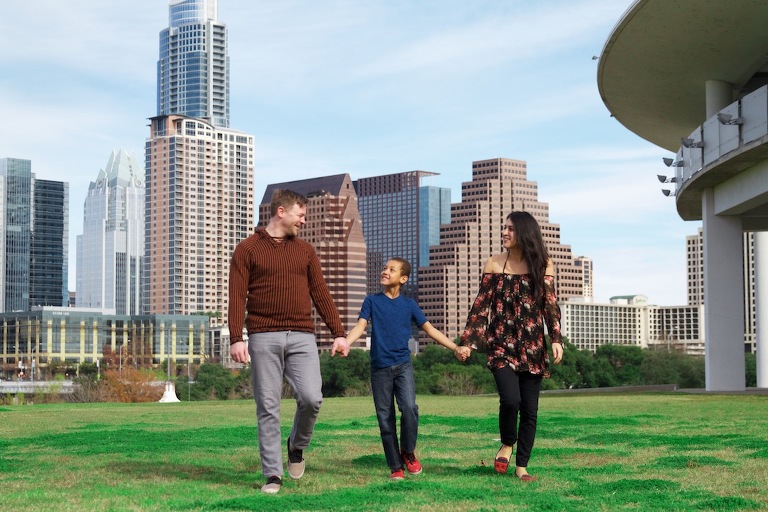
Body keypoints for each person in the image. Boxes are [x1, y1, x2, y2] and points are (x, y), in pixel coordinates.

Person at [228, 188, 351, 494]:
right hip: (262, 336)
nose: (304, 221)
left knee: (312, 398)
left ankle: (296, 444)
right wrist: (235, 337)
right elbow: (236, 296)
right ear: (281, 212)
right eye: (301, 214)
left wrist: (338, 332)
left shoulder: (305, 251)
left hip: (302, 336)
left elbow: (320, 293)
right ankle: (272, 473)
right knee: (268, 406)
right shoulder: (247, 249)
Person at [457, 211, 564, 482]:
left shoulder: (543, 265)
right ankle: (506, 443)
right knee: (510, 400)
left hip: (532, 346)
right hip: (500, 343)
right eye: (504, 228)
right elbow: (480, 308)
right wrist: (469, 342)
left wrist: (556, 338)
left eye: (510, 229)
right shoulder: (494, 264)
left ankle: (522, 467)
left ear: (524, 233)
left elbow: (549, 306)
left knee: (530, 409)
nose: (504, 233)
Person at [346, 257, 467, 480]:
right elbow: (360, 326)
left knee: (410, 408)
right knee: (385, 418)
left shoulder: (409, 305)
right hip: (379, 368)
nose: (385, 271)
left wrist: (455, 347)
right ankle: (395, 466)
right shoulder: (371, 301)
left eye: (391, 269)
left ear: (403, 278)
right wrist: (346, 342)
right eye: (384, 268)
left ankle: (408, 452)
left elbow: (430, 330)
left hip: (403, 365)